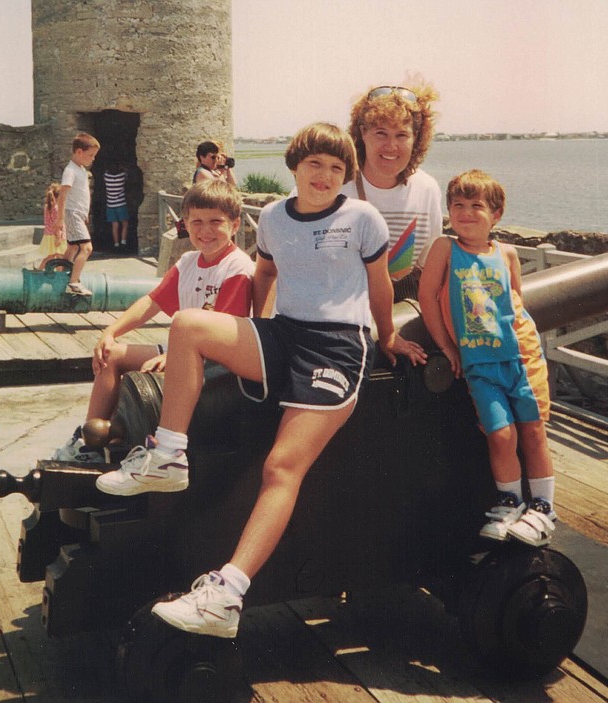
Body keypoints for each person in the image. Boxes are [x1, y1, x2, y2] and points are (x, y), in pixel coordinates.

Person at [96, 122, 427, 637]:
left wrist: (386, 336)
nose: (324, 175)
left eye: (337, 168)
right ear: (294, 166)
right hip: (284, 334)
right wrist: (256, 330)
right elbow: (265, 275)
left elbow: (380, 285)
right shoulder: (272, 217)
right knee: (189, 326)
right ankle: (168, 454)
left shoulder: (362, 217)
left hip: (337, 347)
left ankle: (226, 595)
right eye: (314, 164)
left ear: (346, 175)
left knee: (281, 468)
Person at [53, 180, 255, 463]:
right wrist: (111, 332)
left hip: (218, 360)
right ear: (185, 223)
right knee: (110, 355)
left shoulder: (238, 268)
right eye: (196, 221)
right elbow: (152, 302)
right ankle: (90, 444)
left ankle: (135, 440)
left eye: (215, 222)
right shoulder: (188, 262)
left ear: (234, 225)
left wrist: (175, 357)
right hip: (185, 351)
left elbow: (225, 333)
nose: (205, 231)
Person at [419, 169, 556, 548]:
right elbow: (429, 296)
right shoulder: (446, 249)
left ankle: (543, 507)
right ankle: (510, 501)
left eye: (476, 206)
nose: (465, 212)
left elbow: (516, 303)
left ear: (496, 215)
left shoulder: (507, 253)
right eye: (458, 205)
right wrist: (447, 346)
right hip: (479, 363)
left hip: (520, 357)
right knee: (499, 435)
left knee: (532, 430)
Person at [344, 84, 443, 301]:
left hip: (403, 303)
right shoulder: (339, 184)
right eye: (381, 133)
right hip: (343, 304)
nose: (391, 145)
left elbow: (428, 266)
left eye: (401, 135)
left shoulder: (427, 189)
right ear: (363, 133)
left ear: (416, 137)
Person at [54, 132, 100, 296]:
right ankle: (73, 282)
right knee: (86, 248)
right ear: (79, 152)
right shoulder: (70, 170)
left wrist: (84, 213)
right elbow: (63, 194)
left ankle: (60, 277)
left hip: (77, 214)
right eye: (91, 155)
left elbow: (80, 195)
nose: (93, 159)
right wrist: (60, 220)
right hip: (72, 213)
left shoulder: (80, 169)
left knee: (73, 247)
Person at [36, 183, 67, 270]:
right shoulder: (57, 208)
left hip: (49, 234)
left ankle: (39, 269)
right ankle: (59, 274)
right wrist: (58, 237)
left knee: (50, 256)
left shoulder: (47, 207)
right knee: (60, 257)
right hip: (57, 235)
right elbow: (57, 224)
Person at [103, 161, 129, 252]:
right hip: (121, 204)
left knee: (115, 226)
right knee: (125, 224)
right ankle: (123, 242)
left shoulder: (106, 176)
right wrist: (122, 167)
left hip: (110, 205)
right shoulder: (121, 176)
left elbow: (105, 171)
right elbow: (127, 172)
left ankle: (116, 244)